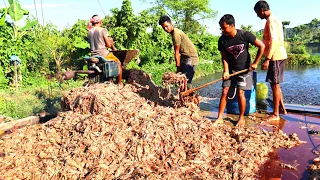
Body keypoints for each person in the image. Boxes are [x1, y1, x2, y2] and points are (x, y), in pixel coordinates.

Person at [213, 14, 265, 127]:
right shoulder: (222, 40)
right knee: (225, 91)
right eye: (221, 28)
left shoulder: (244, 35)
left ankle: (241, 118)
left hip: (244, 70)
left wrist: (255, 63)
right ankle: (220, 117)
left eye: (224, 27)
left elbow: (262, 46)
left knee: (241, 93)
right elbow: (224, 57)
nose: (223, 30)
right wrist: (226, 71)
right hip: (231, 71)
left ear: (232, 25)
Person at [254, 1, 288, 121]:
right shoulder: (274, 19)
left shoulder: (271, 20)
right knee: (275, 84)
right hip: (277, 55)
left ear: (262, 10)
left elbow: (273, 40)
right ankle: (281, 109)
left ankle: (275, 114)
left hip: (276, 56)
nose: (258, 16)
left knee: (275, 85)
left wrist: (267, 59)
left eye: (258, 13)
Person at [159, 15, 199, 84]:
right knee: (180, 81)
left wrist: (178, 69)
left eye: (166, 26)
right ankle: (184, 94)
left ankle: (188, 94)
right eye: (163, 27)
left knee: (185, 82)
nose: (165, 29)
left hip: (191, 58)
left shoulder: (176, 34)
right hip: (184, 57)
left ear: (171, 23)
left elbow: (176, 53)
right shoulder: (174, 33)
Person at [87, 14, 122, 84]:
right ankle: (120, 84)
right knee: (119, 63)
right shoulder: (103, 30)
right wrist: (111, 43)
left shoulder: (89, 32)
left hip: (93, 55)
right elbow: (108, 45)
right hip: (103, 54)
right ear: (100, 22)